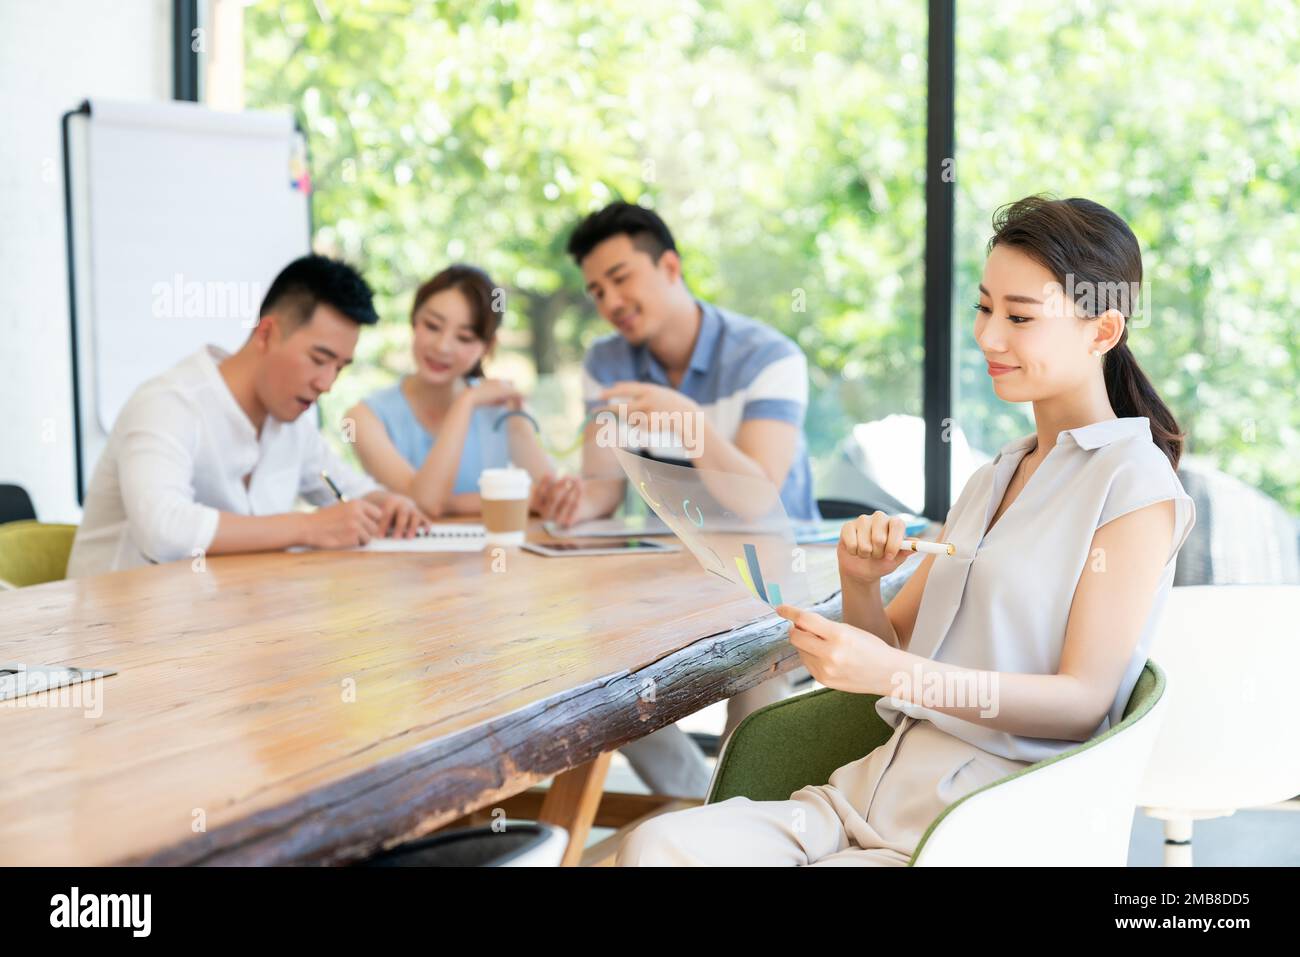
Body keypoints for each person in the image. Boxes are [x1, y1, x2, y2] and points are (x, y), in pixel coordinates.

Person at [618, 195, 1197, 865]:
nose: (988, 336)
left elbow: (1082, 701)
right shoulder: (996, 475)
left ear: (1101, 331)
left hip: (977, 824)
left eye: (1020, 317)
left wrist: (901, 672)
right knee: (657, 843)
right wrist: (858, 580)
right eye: (984, 308)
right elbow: (884, 647)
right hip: (861, 795)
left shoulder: (1134, 486)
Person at [534, 201, 820, 799]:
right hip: (674, 573)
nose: (609, 301)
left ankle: (735, 812)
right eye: (595, 291)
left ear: (669, 266)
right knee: (600, 676)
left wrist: (691, 424)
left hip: (774, 575)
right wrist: (569, 500)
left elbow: (758, 498)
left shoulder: (769, 357)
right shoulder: (606, 362)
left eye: (620, 278)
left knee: (756, 683)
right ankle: (703, 808)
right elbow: (604, 493)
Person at [67, 254, 428, 578]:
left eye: (340, 367)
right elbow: (163, 531)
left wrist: (389, 505)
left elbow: (347, 490)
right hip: (112, 633)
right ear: (267, 333)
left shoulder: (291, 422)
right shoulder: (168, 403)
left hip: (221, 625)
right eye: (319, 359)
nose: (327, 383)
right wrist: (307, 527)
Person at [346, 265, 553, 517]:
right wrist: (466, 402)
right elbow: (425, 504)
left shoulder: (502, 409)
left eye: (464, 338)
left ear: (487, 347)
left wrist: (454, 503)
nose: (442, 347)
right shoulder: (363, 418)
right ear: (414, 322)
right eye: (432, 326)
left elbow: (548, 498)